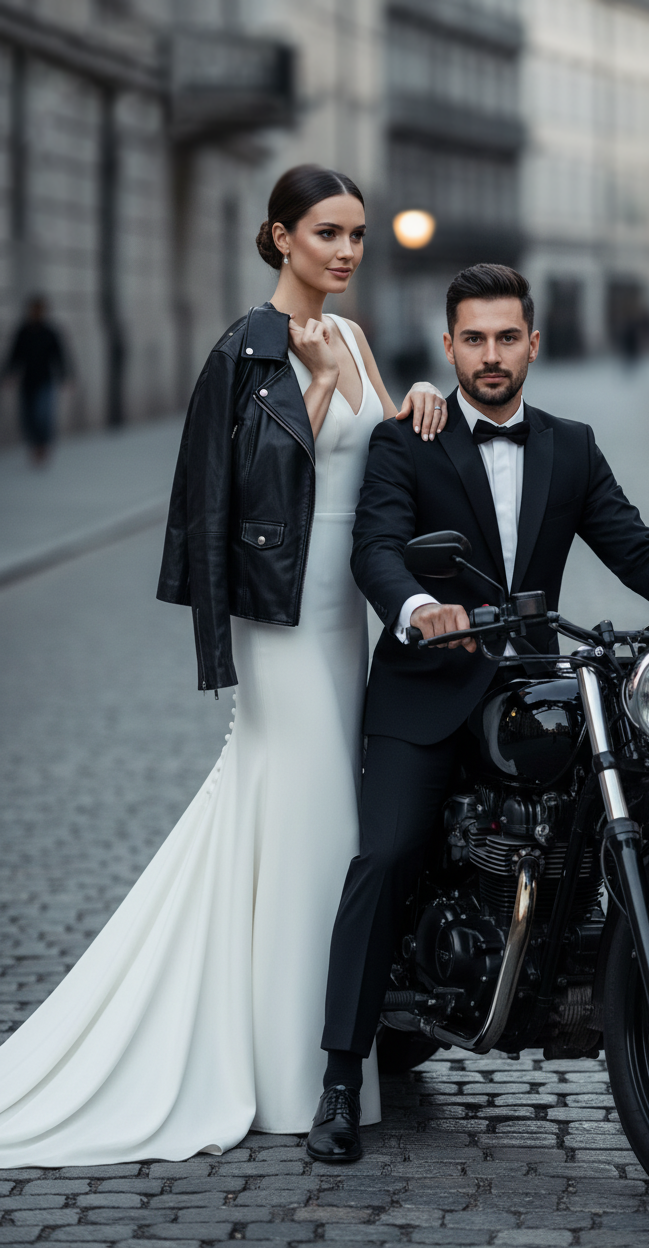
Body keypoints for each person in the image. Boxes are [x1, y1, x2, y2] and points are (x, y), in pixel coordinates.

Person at [0, 164, 448, 1167]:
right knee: (315, 818)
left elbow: (383, 460)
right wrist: (318, 391)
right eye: (325, 232)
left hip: (352, 615)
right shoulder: (246, 349)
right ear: (279, 237)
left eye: (357, 234)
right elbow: (216, 497)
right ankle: (301, 1077)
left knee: (321, 817)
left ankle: (323, 1051)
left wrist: (417, 397)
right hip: (281, 615)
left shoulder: (359, 337)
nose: (344, 250)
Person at [307, 263, 649, 1163]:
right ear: (449, 347)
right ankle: (337, 1075)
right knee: (387, 853)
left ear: (534, 344)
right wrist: (417, 612)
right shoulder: (409, 441)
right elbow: (377, 548)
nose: (490, 355)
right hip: (428, 690)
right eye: (472, 339)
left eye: (506, 337)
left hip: (534, 689)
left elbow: (632, 542)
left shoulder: (571, 444)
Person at [2, 295, 68, 464]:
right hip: (28, 381)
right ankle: (35, 445)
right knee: (28, 417)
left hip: (45, 379)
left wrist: (65, 375)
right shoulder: (23, 332)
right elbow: (14, 355)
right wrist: (7, 374)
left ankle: (43, 445)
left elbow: (59, 354)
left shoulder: (49, 332)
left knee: (43, 415)